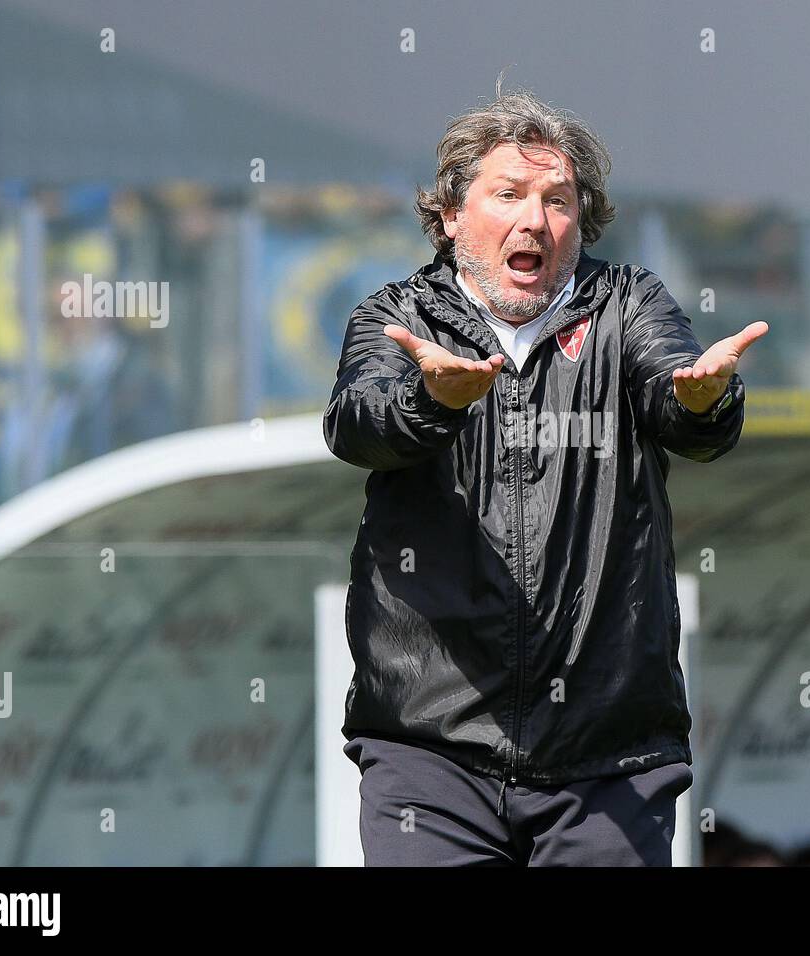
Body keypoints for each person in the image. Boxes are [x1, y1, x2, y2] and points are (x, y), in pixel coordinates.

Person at [322, 80, 766, 866]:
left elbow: (676, 396)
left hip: (605, 757)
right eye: (510, 193)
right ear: (452, 215)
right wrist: (432, 401)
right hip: (429, 749)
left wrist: (701, 402)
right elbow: (359, 424)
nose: (536, 219)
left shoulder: (627, 303)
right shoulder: (395, 318)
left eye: (558, 200)